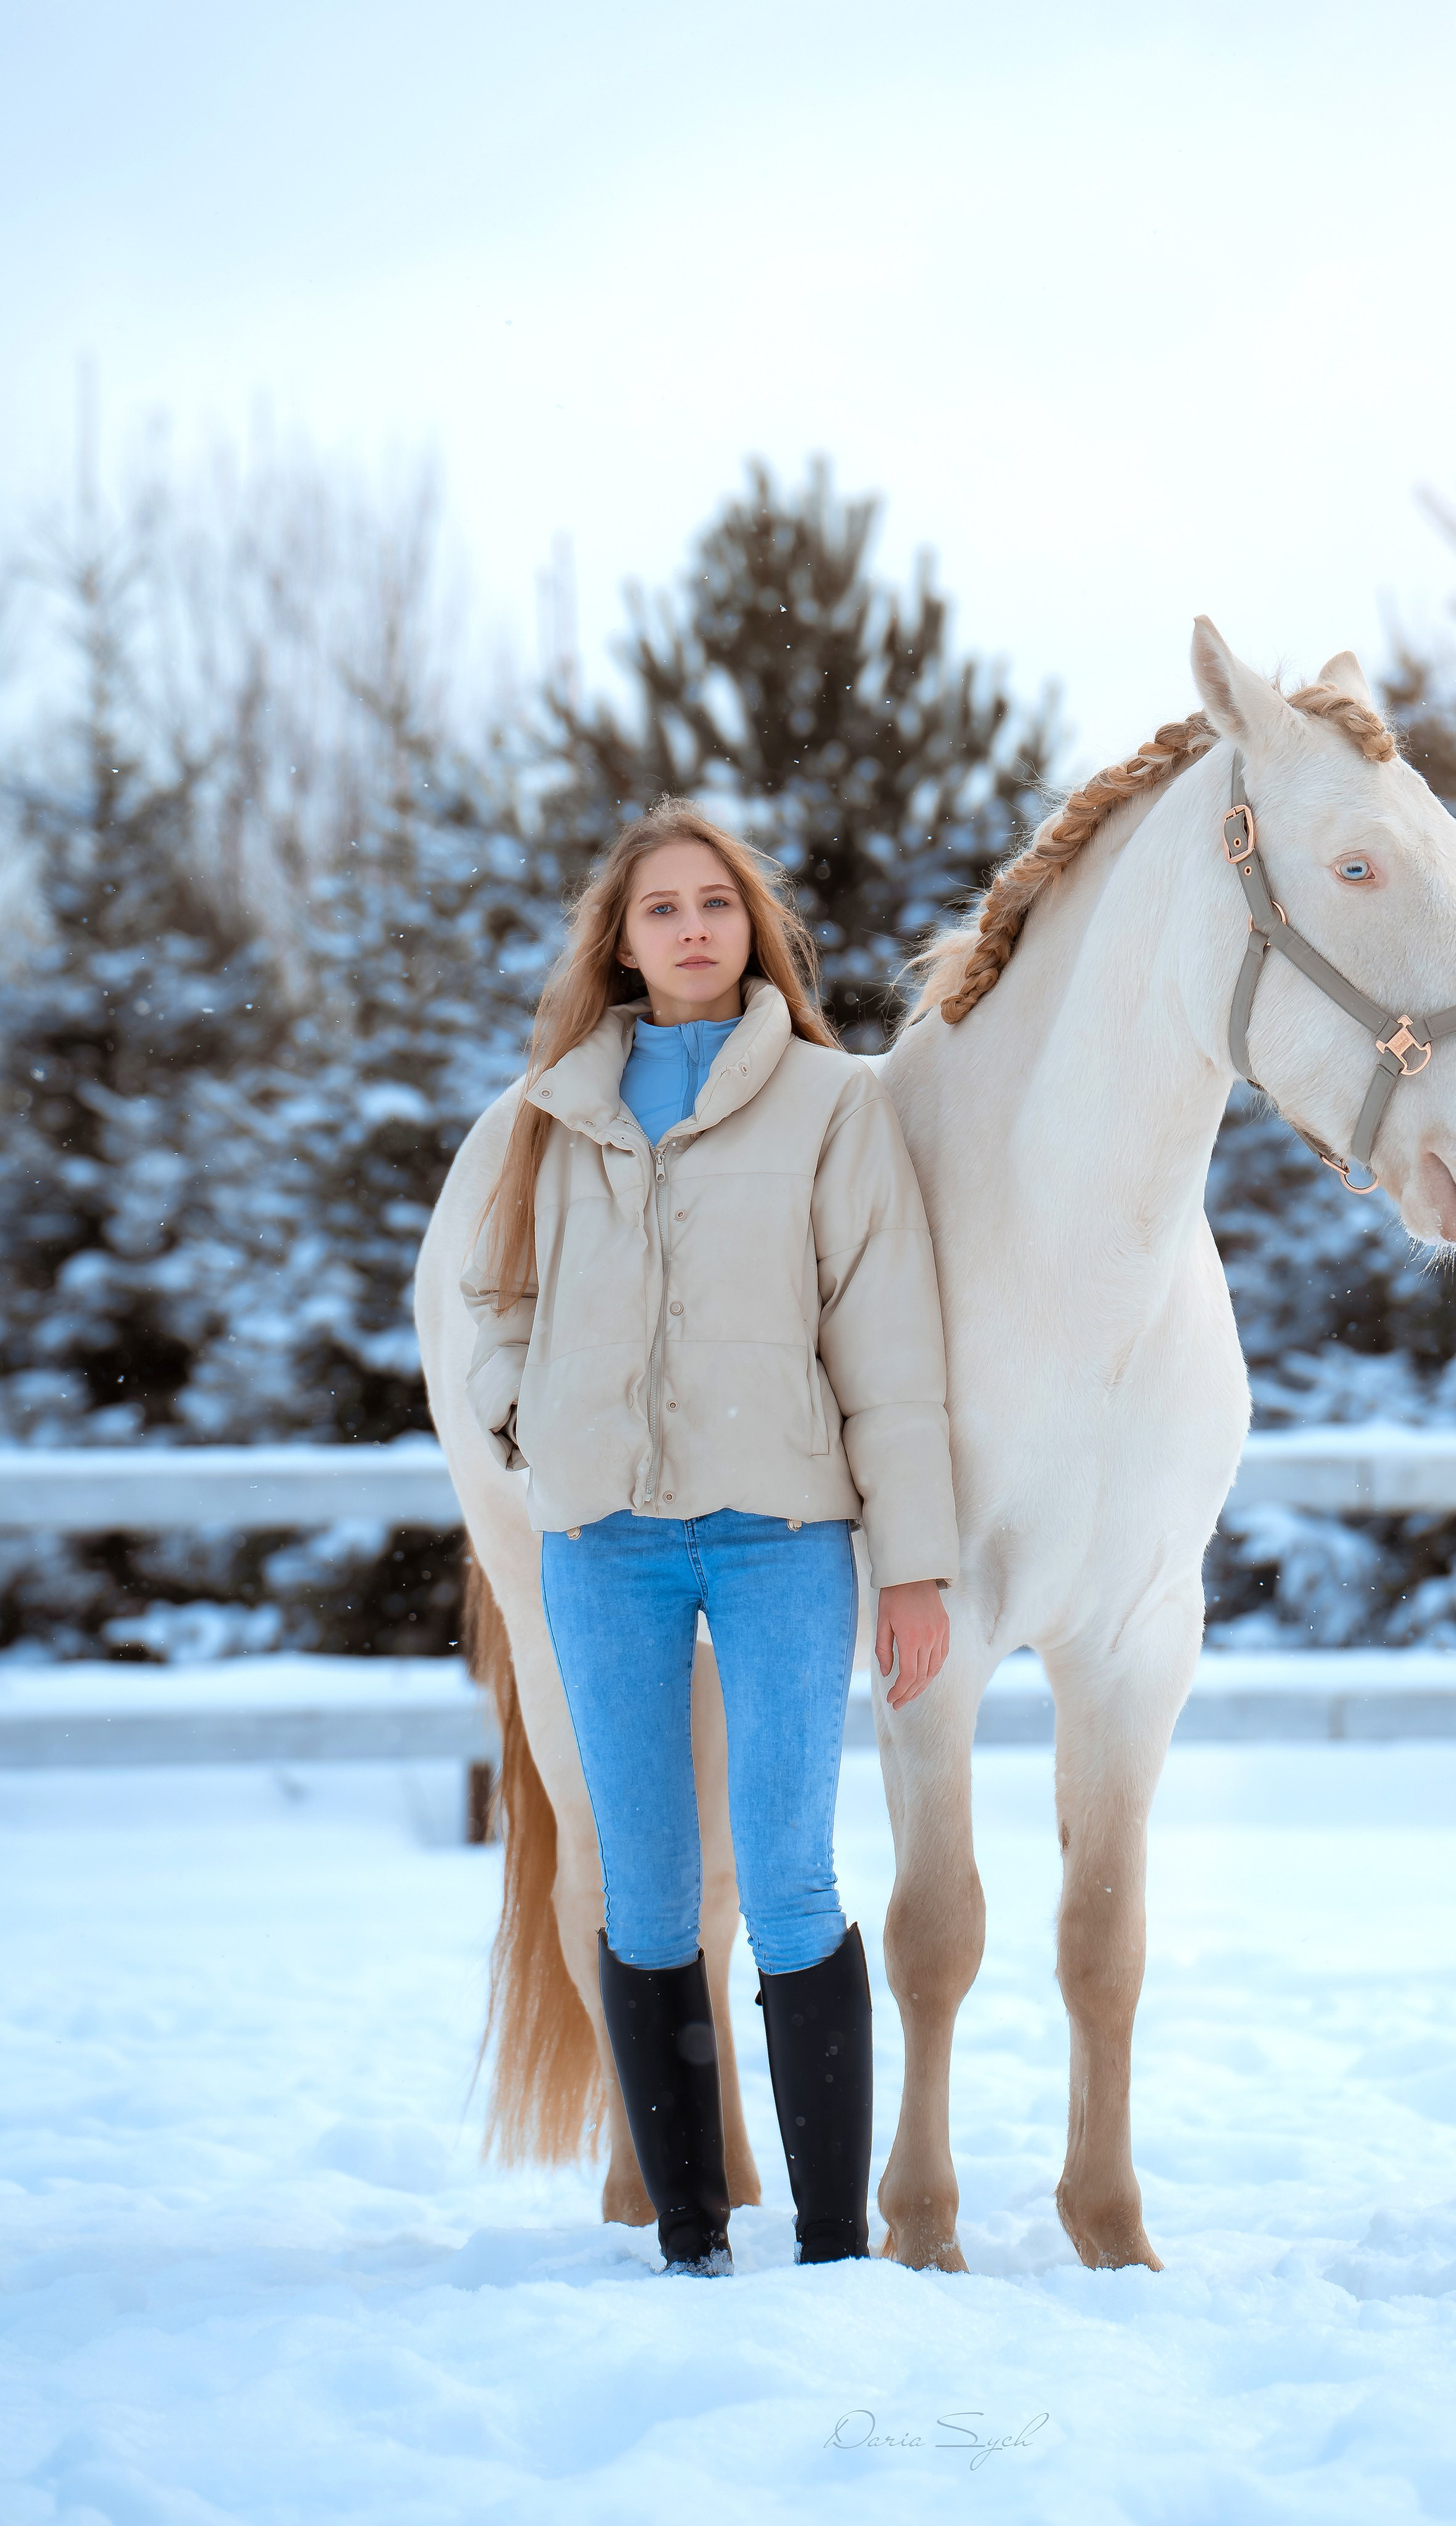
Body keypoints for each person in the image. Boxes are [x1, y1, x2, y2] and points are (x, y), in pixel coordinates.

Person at [460, 798, 958, 2274]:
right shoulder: (554, 1107)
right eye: (661, 908)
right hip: (601, 1541)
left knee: (792, 1878)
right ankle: (689, 2235)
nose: (691, 927)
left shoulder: (831, 1103)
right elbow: (498, 1306)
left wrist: (914, 1563)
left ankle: (828, 2244)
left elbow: (889, 1344)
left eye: (715, 904)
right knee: (644, 1888)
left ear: (752, 929)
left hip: (779, 1537)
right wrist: (526, 1423)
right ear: (621, 942)